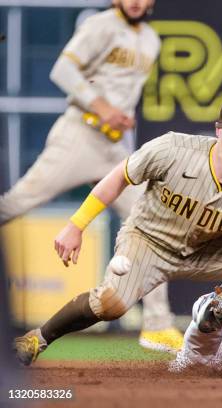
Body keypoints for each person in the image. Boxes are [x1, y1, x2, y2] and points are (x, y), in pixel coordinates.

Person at [12, 95, 222, 366]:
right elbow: (119, 177)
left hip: (206, 254)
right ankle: (37, 339)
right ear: (218, 130)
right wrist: (76, 225)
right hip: (148, 240)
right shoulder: (174, 148)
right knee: (110, 304)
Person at [0, 0, 182, 352]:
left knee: (151, 221)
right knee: (18, 202)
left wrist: (125, 134)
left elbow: (124, 99)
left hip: (114, 149)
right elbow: (63, 71)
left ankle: (157, 323)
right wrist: (103, 108)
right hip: (79, 137)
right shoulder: (100, 24)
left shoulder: (150, 40)